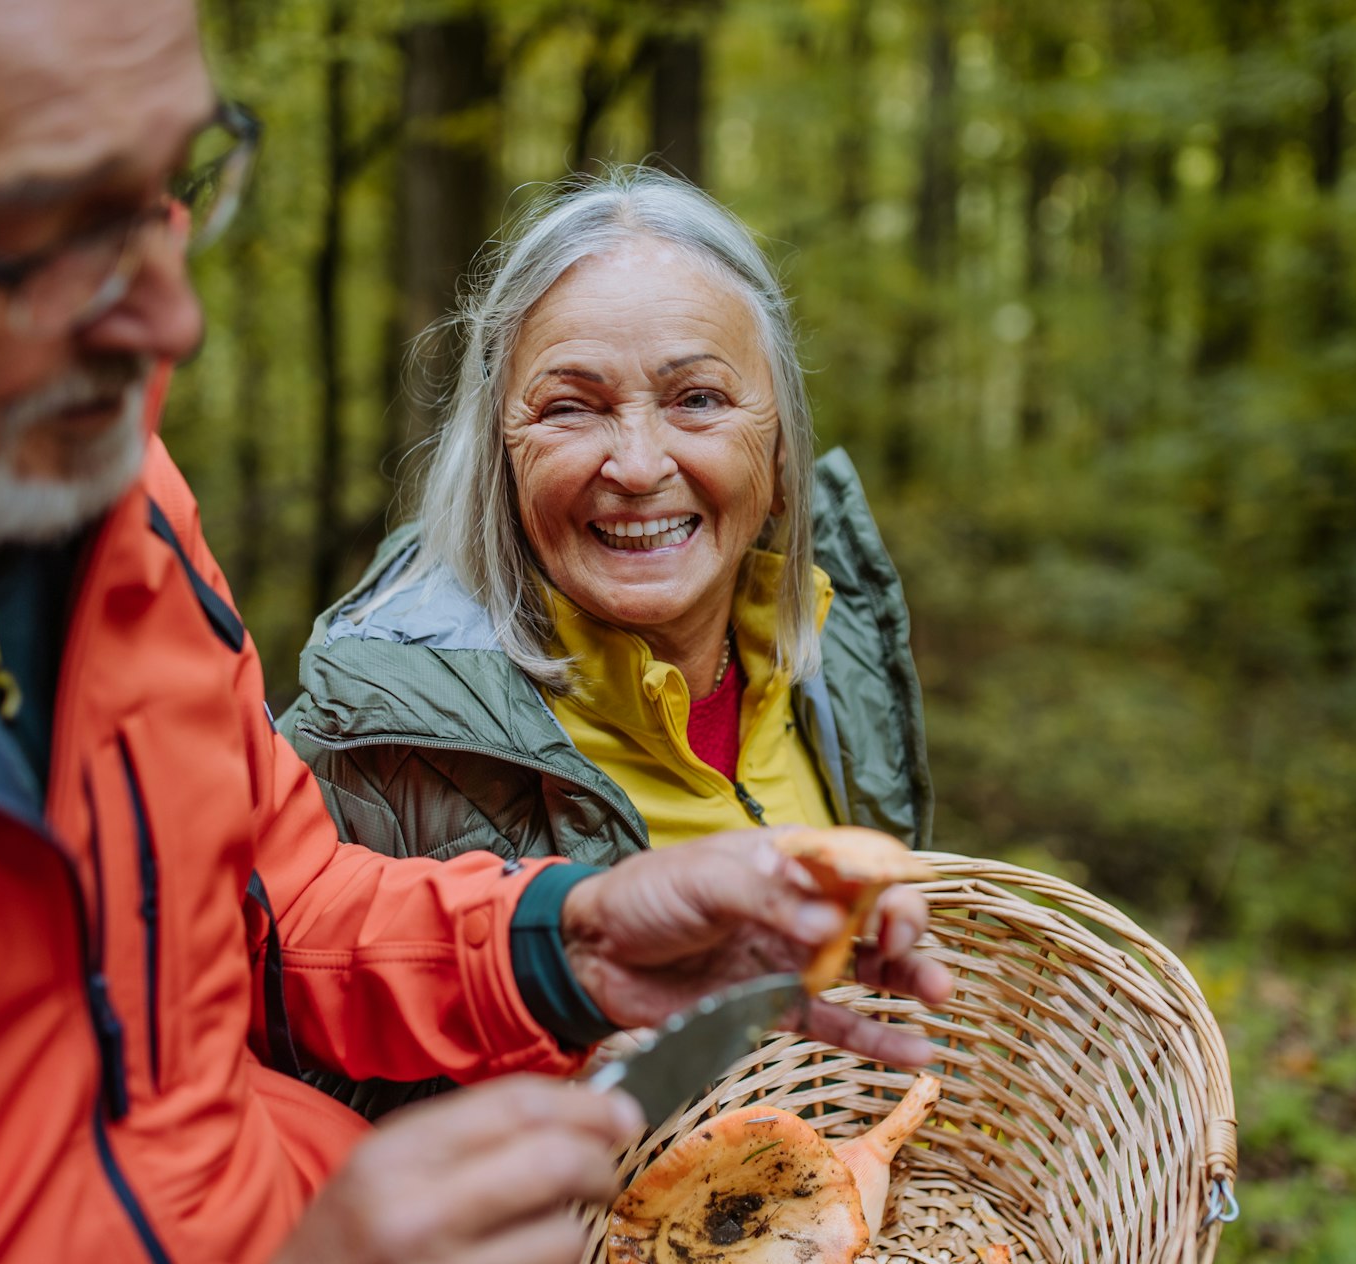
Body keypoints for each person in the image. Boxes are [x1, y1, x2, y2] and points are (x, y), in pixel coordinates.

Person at [0, 4, 954, 1264]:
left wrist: (563, 943)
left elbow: (274, 905)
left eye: (173, 185)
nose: (173, 318)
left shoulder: (111, 497)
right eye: (45, 228)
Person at [285, 169, 931, 877]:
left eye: (698, 398)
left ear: (781, 457)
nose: (637, 464)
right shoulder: (369, 752)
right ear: (498, 463)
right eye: (569, 407)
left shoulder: (836, 655)